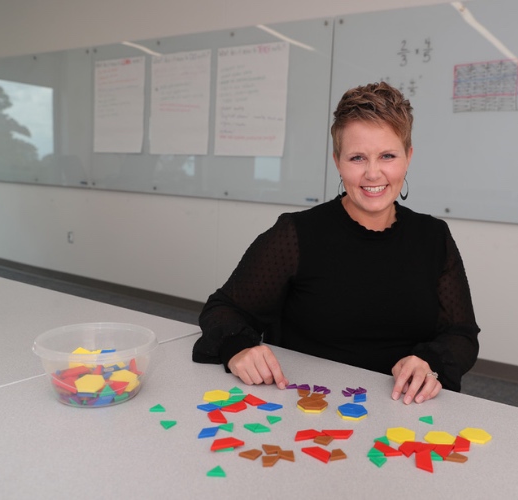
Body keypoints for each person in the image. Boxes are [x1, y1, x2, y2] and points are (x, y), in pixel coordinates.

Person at [193, 82, 480, 404]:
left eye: (387, 156)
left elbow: (462, 334)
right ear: (337, 161)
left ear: (408, 157)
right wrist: (238, 348)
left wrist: (431, 363)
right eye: (357, 158)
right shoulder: (296, 233)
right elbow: (224, 309)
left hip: (404, 407)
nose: (373, 173)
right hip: (309, 404)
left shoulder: (433, 236)